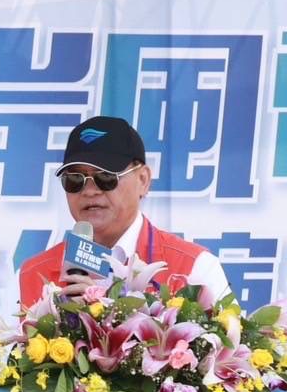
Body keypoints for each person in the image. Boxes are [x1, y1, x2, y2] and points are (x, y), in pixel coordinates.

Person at [16, 116, 231, 308]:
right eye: (75, 179)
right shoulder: (32, 274)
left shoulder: (195, 269)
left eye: (105, 177)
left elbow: (231, 340)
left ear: (143, 180)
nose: (89, 191)